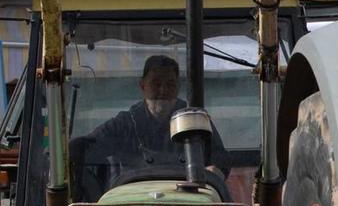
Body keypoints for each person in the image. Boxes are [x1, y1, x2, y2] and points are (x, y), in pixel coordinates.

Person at [78, 55, 228, 193]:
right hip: (132, 200)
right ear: (142, 86)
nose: (163, 91)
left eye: (170, 84)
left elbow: (220, 158)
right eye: (156, 83)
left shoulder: (194, 120)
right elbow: (86, 150)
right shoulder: (123, 124)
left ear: (178, 88)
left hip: (186, 197)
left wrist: (216, 171)